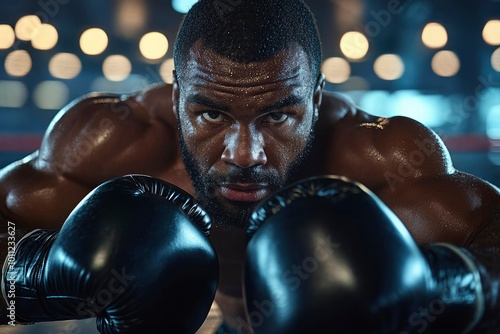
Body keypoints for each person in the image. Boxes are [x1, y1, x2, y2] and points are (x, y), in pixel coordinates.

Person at [0, 0, 499, 332]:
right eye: (211, 113)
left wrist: (432, 282)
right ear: (176, 99)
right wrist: (39, 275)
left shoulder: (384, 160)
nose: (244, 154)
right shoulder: (109, 142)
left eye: (279, 114)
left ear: (317, 97)